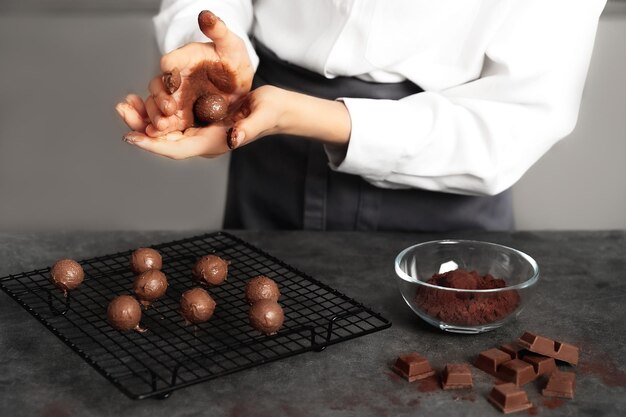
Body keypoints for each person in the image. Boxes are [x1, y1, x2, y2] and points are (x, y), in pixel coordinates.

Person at [116, 0, 606, 231]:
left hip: (441, 174)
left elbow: (516, 122)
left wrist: (305, 116)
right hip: (264, 145)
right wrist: (209, 52)